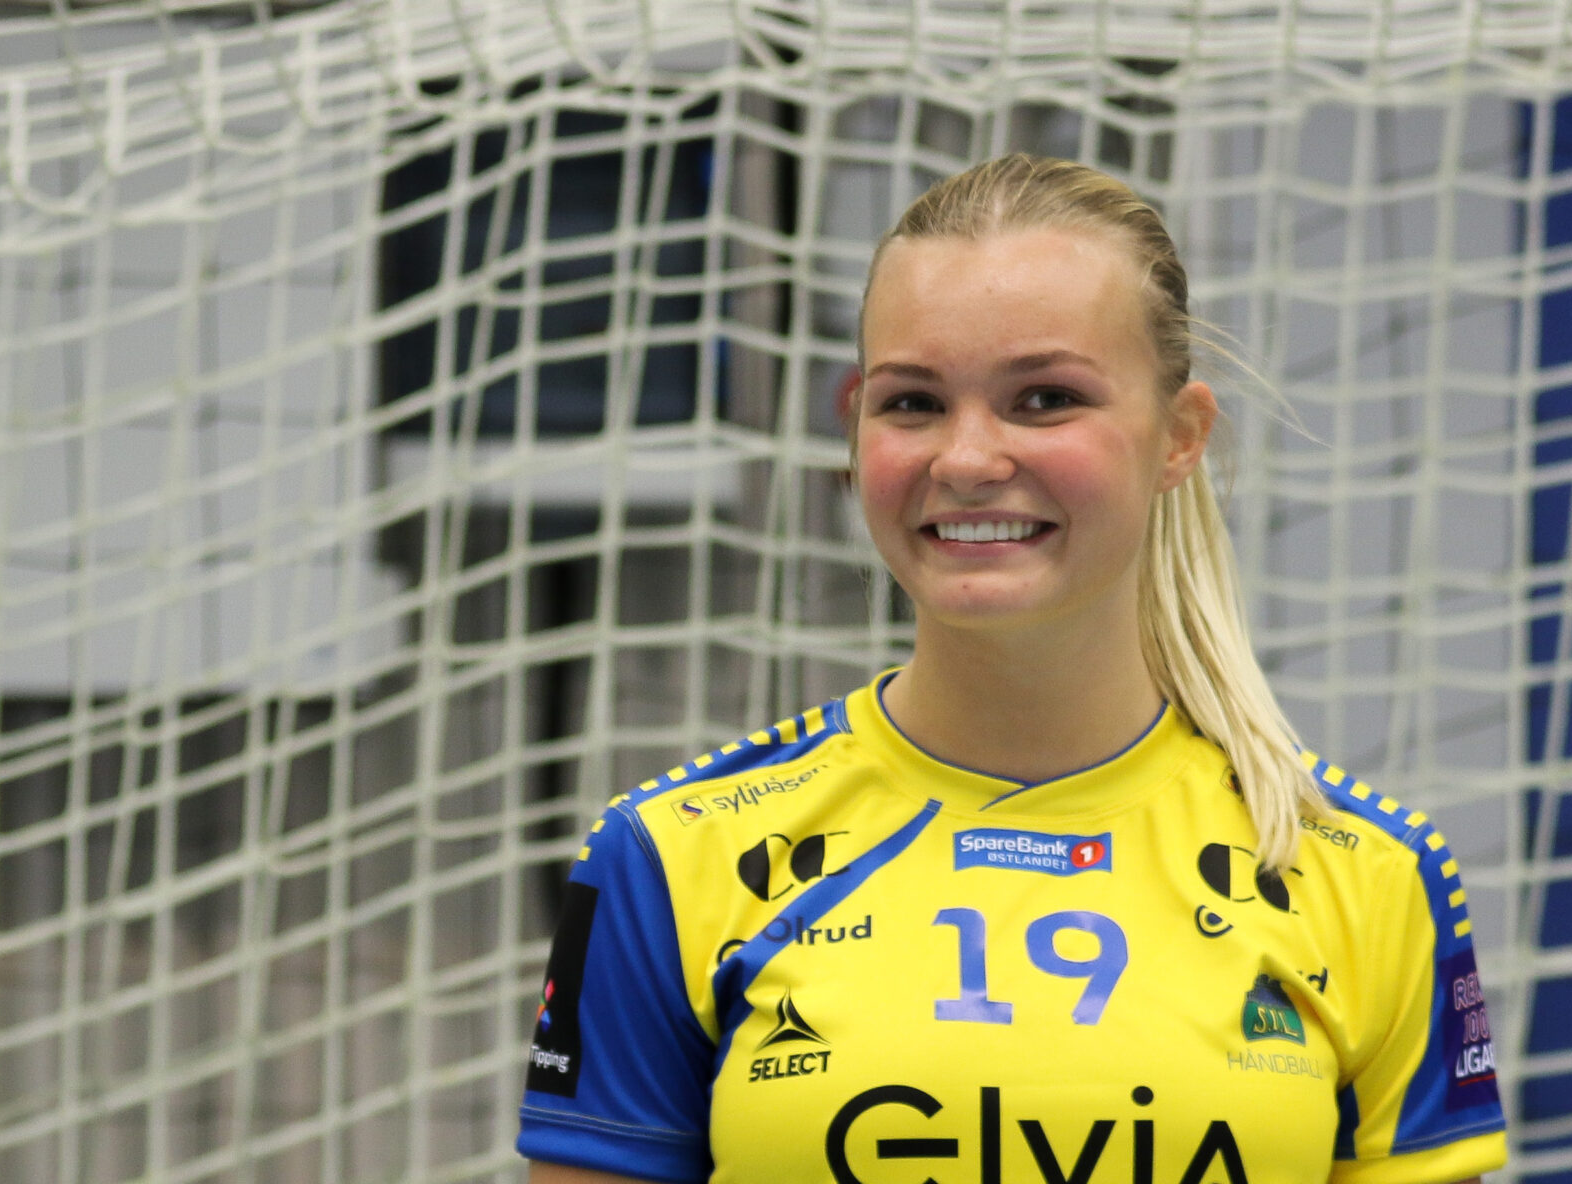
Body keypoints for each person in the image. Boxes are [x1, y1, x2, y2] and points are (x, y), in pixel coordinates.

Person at [516, 153, 1506, 1184]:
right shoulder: (671, 857)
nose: (966, 459)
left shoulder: (1364, 874)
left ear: (1180, 437)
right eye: (912, 402)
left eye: (1043, 397)